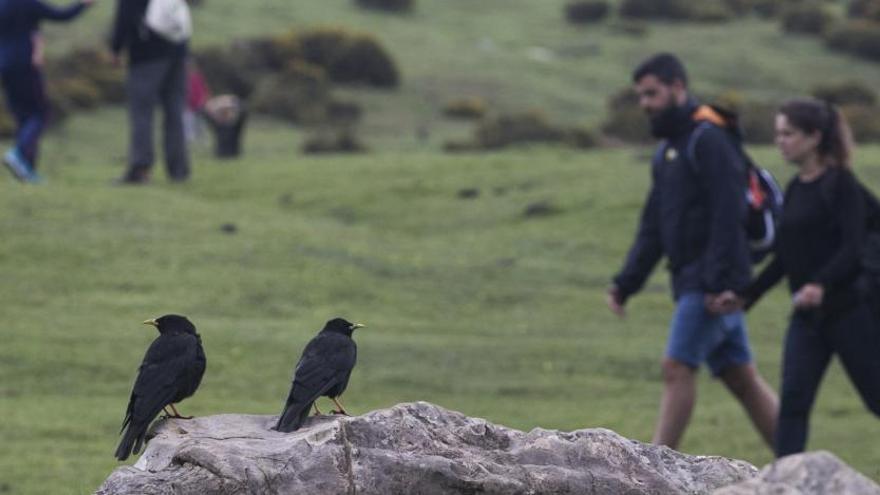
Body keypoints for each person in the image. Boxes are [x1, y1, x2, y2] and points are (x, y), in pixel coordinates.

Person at [606, 53, 778, 450]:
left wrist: (723, 281)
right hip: (696, 277)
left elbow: (728, 214)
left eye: (652, 93)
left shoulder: (709, 139)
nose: (645, 103)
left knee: (676, 367)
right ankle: (802, 465)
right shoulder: (669, 148)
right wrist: (626, 283)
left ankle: (652, 473)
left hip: (710, 279)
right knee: (741, 377)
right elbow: (654, 225)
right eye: (641, 96)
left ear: (678, 87)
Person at [734, 98, 880, 457]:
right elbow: (785, 256)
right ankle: (786, 481)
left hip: (849, 312)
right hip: (807, 317)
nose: (780, 141)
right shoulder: (797, 188)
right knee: (794, 403)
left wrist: (822, 284)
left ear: (814, 137)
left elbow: (853, 247)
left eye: (788, 134)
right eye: (778, 134)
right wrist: (745, 297)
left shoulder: (841, 185)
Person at [0, 0, 94, 183]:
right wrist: (83, 5)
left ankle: (26, 170)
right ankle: (19, 154)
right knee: (41, 113)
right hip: (26, 63)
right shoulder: (27, 4)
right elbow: (62, 16)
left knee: (23, 116)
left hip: (4, 65)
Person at [109, 0, 190, 184]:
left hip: (146, 53)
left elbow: (125, 14)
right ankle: (179, 171)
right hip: (177, 51)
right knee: (175, 111)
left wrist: (116, 48)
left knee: (142, 112)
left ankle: (141, 169)